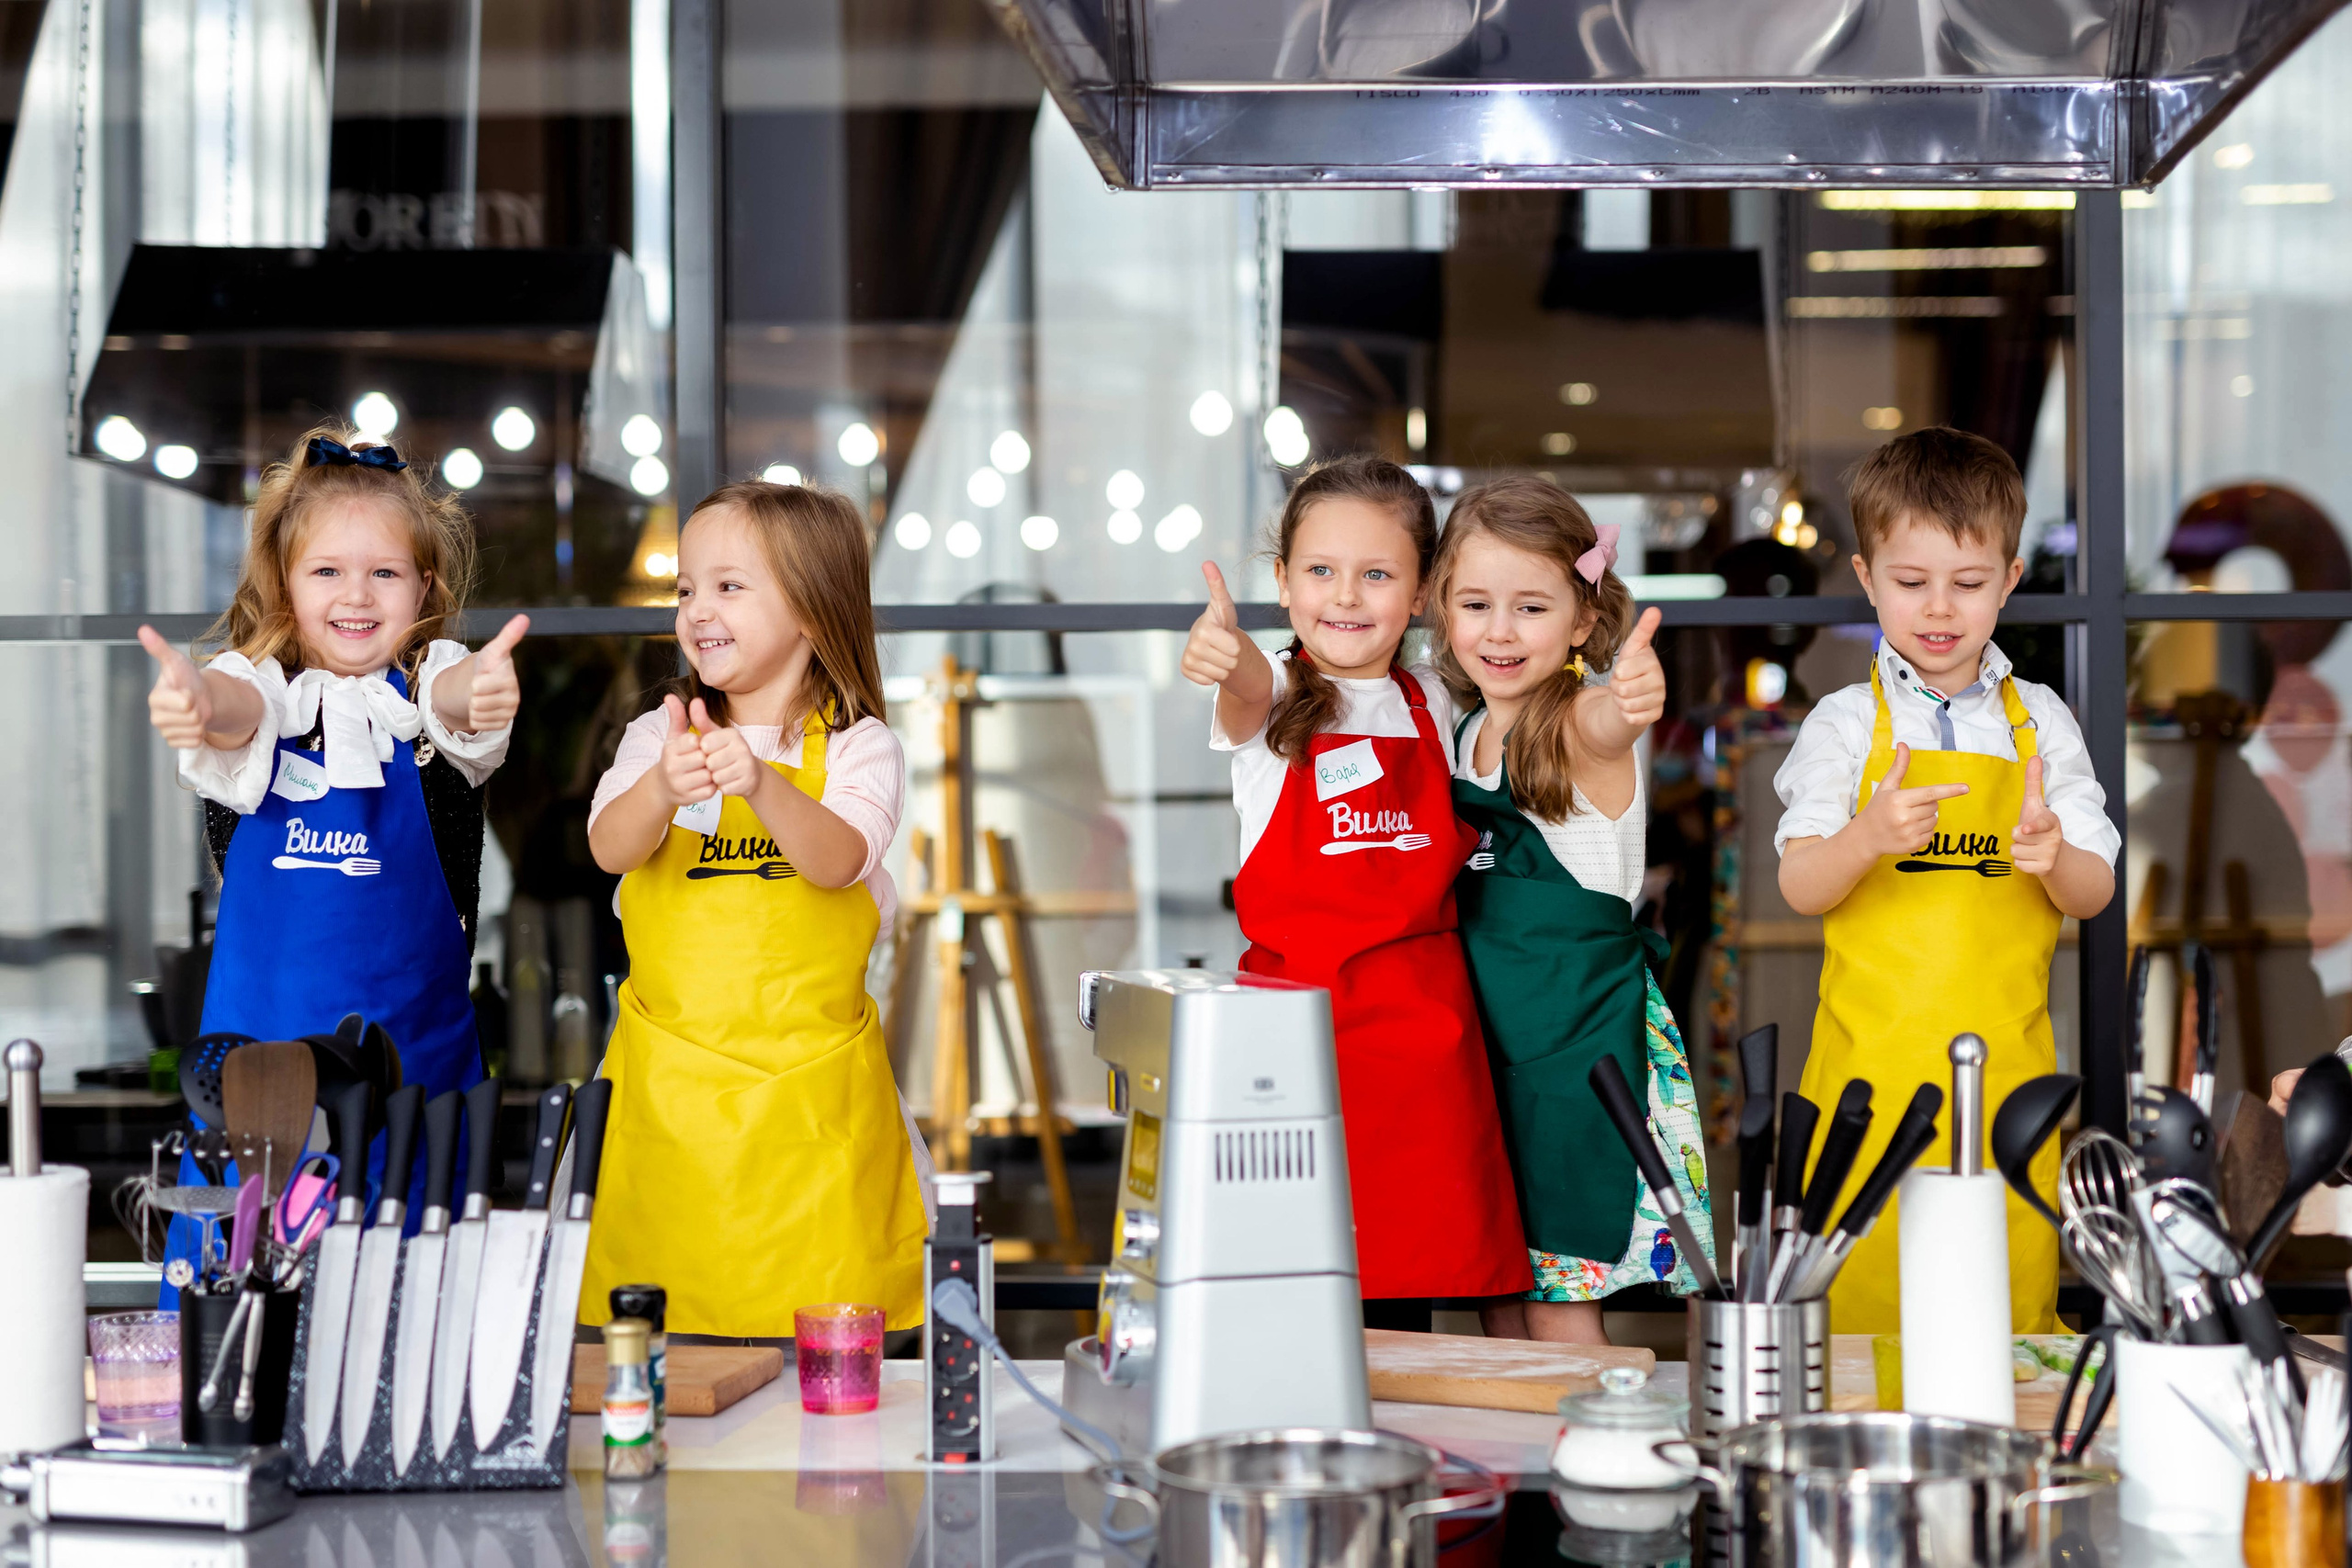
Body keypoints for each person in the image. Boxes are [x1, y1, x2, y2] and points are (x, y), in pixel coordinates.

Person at [140, 426, 525, 1296]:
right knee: (246, 1334)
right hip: (254, 1101)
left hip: (415, 1093)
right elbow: (234, 708)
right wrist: (198, 699)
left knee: (413, 1335)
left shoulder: (430, 699)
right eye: (327, 572)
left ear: (423, 586)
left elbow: (462, 704)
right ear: (284, 583)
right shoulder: (262, 696)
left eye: (384, 572)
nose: (357, 593)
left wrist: (483, 691)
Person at [1776, 427, 2118, 1335]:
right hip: (1867, 1085)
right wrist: (1866, 837)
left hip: (2007, 1089)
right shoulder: (1846, 725)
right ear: (1864, 577)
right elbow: (1802, 885)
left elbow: (2094, 894)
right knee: (1861, 1329)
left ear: (2007, 580)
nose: (1938, 608)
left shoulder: (2038, 722)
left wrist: (2056, 859)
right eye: (1910, 581)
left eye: (1967, 584)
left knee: (1998, 1327)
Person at [1182, 455, 1530, 1330]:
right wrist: (1224, 659)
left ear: (1420, 594)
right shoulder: (1278, 697)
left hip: (1428, 1053)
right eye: (1320, 571)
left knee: (1417, 1301)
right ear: (1283, 581)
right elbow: (1246, 690)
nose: (1345, 595)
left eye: (1377, 574)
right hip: (1300, 1053)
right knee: (1305, 1298)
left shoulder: (1437, 708)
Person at [581, 479, 928, 1338]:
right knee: (655, 1370)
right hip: (668, 1119)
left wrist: (762, 784)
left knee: (829, 1392)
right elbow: (609, 848)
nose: (698, 608)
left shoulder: (861, 747)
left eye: (729, 585)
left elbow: (840, 856)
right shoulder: (657, 740)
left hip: (813, 1133)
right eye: (686, 588)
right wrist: (663, 784)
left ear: (813, 608)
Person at [1429, 477, 1713, 1344]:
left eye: (1532, 606)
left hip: (1579, 1061)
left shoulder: (1572, 727)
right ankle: (1525, 1481)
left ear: (1584, 619)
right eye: (1476, 603)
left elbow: (1601, 725)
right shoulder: (1459, 728)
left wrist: (1627, 705)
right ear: (1441, 606)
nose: (1501, 631)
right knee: (1498, 1301)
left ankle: (1598, 1474)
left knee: (1561, 1306)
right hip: (1491, 1059)